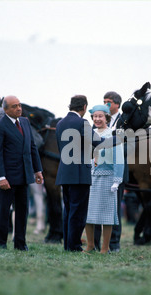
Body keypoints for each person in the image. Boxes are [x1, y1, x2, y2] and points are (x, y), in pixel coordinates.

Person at [55, 95, 120, 252]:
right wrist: (117, 139)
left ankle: (67, 245)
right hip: (80, 174)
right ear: (84, 107)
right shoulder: (82, 122)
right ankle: (74, 246)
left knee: (68, 211)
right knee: (78, 213)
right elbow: (98, 142)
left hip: (65, 173)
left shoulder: (60, 123)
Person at [0, 95, 43, 250]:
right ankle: (0, 243)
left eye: (19, 105)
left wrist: (37, 170)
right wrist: (1, 177)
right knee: (4, 211)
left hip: (25, 175)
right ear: (5, 109)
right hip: (7, 177)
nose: (19, 108)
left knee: (22, 211)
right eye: (14, 106)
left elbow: (32, 148)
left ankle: (20, 243)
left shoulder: (25, 122)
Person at [84, 105, 124, 254]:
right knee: (88, 214)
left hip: (108, 177)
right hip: (90, 177)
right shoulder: (90, 133)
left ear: (106, 117)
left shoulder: (112, 134)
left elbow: (119, 158)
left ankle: (105, 248)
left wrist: (117, 180)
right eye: (95, 116)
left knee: (107, 215)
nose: (97, 119)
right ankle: (89, 245)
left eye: (100, 116)